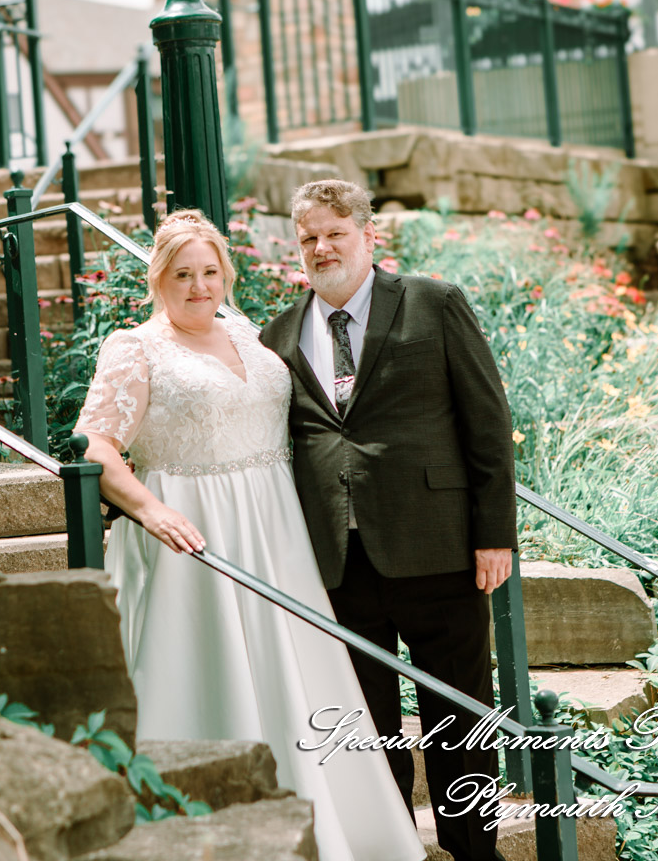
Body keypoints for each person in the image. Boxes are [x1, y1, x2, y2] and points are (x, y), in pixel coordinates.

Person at [74, 209, 425, 861]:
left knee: (301, 672)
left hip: (276, 529)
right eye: (183, 274)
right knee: (212, 672)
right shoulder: (135, 348)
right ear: (158, 278)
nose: (198, 286)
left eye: (210, 272)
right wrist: (149, 510)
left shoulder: (246, 332)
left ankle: (340, 827)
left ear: (225, 276)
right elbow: (95, 446)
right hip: (195, 531)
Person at [259, 180, 517, 861]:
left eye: (335, 233)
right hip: (337, 562)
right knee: (366, 725)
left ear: (369, 236)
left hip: (439, 546)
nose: (322, 248)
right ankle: (395, 847)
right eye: (309, 237)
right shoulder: (277, 336)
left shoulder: (434, 303)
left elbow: (488, 422)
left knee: (459, 714)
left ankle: (473, 852)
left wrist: (495, 533)